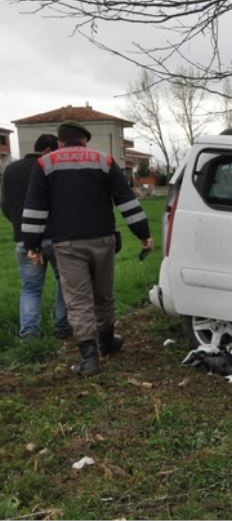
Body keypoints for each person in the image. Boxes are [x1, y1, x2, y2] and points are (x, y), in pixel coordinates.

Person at [21, 121, 154, 376]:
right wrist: (144, 234)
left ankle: (90, 358)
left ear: (60, 141)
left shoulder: (45, 163)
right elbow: (127, 201)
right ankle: (107, 342)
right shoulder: (103, 161)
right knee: (103, 294)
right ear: (85, 141)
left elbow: (35, 207)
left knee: (79, 300)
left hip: (68, 243)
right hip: (104, 240)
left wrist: (32, 244)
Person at [1, 134, 72, 340]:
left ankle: (29, 334)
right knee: (64, 282)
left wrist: (18, 224)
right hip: (55, 237)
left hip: (24, 239)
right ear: (49, 150)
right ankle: (63, 326)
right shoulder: (50, 167)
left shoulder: (11, 170)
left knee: (31, 288)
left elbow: (5, 205)